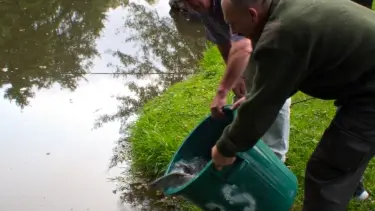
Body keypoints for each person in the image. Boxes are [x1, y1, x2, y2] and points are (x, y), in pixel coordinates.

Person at [210, 0, 375, 210]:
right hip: (364, 81)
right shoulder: (289, 8)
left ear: (252, 14)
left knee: (327, 172)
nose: (234, 32)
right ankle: (352, 180)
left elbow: (261, 109)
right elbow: (285, 73)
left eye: (232, 24)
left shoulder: (281, 33)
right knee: (344, 156)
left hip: (370, 94)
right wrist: (258, 96)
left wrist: (225, 148)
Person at [181, 0, 291, 165]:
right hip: (251, 46)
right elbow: (222, 41)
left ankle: (276, 157)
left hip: (275, 40)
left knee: (273, 94)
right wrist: (236, 78)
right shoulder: (203, 9)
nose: (189, 4)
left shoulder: (230, 3)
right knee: (244, 99)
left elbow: (243, 45)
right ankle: (247, 149)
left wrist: (222, 91)